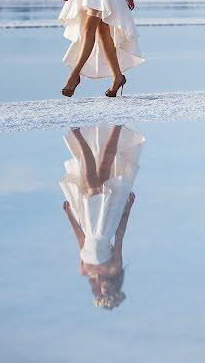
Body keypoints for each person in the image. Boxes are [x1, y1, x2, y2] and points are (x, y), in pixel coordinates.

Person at [60, 125, 144, 309]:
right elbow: (120, 236)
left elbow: (80, 239)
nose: (110, 288)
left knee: (93, 176)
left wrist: (69, 215)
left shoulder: (84, 270)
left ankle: (78, 135)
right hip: (106, 223)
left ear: (98, 291)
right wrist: (127, 209)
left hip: (87, 222)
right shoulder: (114, 268)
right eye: (114, 290)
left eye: (107, 292)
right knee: (102, 170)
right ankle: (114, 129)